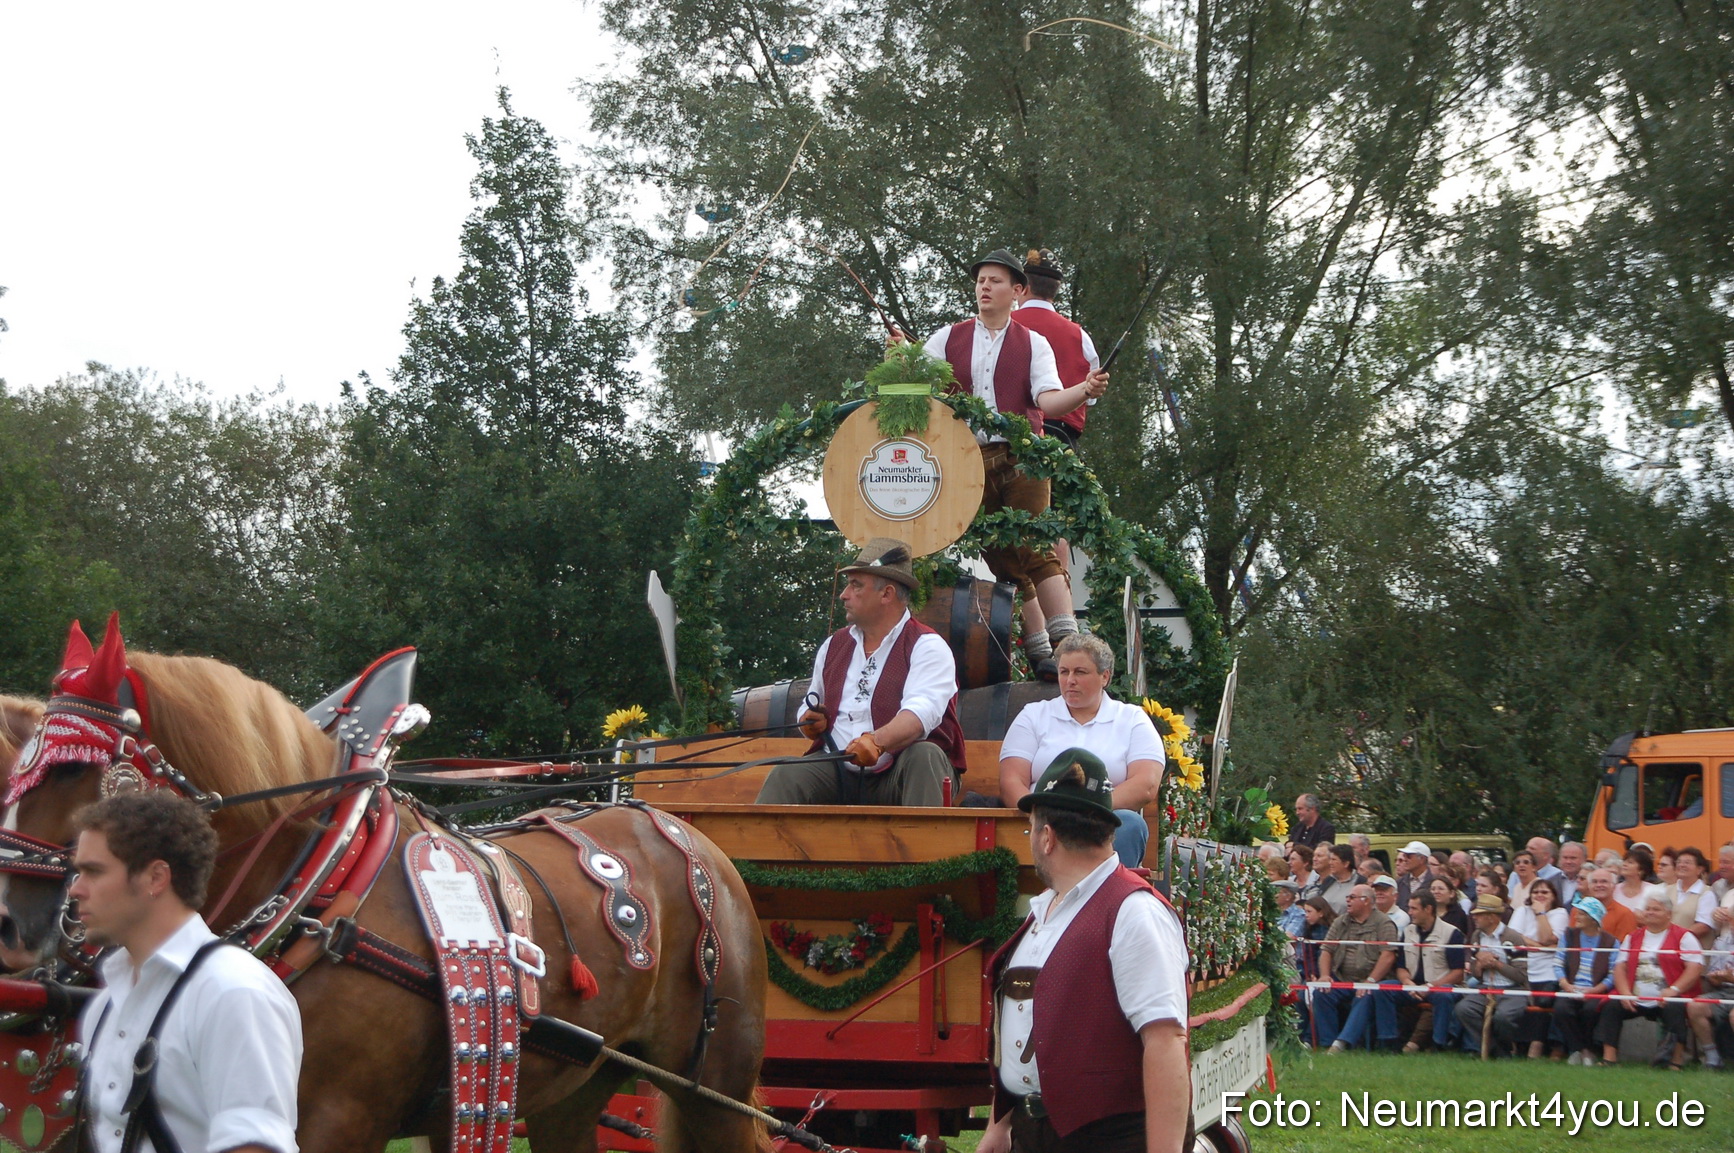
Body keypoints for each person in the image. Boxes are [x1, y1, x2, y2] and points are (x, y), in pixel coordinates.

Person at [981, 750, 1188, 1153]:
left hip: (1109, 1139)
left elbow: (1166, 1040)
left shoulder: (1133, 912)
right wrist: (999, 1125)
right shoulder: (1045, 909)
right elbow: (1027, 1027)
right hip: (1034, 1133)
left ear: (1047, 836)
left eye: (1030, 830)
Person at [73, 791, 301, 1153]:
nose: (76, 889)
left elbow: (254, 1145)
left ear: (155, 878)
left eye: (94, 872)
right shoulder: (104, 1007)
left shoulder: (233, 991)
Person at [920, 251, 1101, 679]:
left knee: (1036, 548)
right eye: (981, 279)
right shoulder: (946, 339)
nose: (984, 286)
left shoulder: (1033, 343)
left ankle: (1069, 649)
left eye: (995, 280)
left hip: (1024, 456)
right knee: (1002, 560)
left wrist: (1083, 389)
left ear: (1018, 291)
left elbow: (1048, 401)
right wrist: (900, 357)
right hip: (968, 462)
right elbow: (915, 385)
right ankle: (1040, 655)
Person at [764, 538, 965, 805]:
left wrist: (877, 741)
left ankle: (922, 845)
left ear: (887, 594)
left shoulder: (927, 646)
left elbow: (920, 714)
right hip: (838, 770)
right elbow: (810, 701)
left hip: (900, 773)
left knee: (924, 755)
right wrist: (810, 720)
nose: (844, 594)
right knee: (785, 775)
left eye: (855, 585)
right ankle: (750, 848)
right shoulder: (833, 645)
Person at [999, 634, 1163, 867]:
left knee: (1130, 824)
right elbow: (1011, 781)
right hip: (1042, 822)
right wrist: (1040, 815)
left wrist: (1089, 810)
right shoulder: (1033, 715)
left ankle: (1109, 898)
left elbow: (1146, 784)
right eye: (1064, 672)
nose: (1070, 680)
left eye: (1080, 672)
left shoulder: (1132, 719)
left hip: (1104, 822)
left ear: (1104, 676)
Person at [1010, 248, 1107, 596]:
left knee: (1008, 523)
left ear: (1020, 287)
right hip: (1061, 440)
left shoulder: (1006, 327)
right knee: (1057, 524)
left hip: (1012, 438)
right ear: (1056, 289)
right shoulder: (1078, 335)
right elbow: (1090, 394)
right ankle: (1061, 601)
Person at [1594, 894, 1703, 1068]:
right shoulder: (1633, 937)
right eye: (1648, 909)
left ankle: (1676, 1061)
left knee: (1676, 1007)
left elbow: (1695, 967)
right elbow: (1620, 967)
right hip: (1635, 995)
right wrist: (1624, 993)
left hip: (1668, 996)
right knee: (1611, 1005)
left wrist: (1673, 989)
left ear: (1669, 913)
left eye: (1656, 909)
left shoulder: (1684, 937)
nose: (1650, 913)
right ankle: (1609, 1059)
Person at [1315, 885, 1400, 1052]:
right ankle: (1326, 1041)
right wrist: (1324, 976)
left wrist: (1370, 980)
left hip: (1373, 980)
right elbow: (1326, 950)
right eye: (1348, 897)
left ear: (1366, 901)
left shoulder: (1384, 923)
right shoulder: (1341, 922)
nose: (1347, 900)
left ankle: (1342, 1043)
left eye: (1352, 897)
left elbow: (1388, 955)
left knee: (1365, 995)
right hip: (1343, 979)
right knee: (1321, 993)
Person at [1391, 891, 1467, 1053]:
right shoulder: (1408, 932)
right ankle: (1388, 1041)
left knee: (1443, 996)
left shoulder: (1452, 933)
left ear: (1428, 909)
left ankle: (1438, 1044)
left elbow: (1458, 974)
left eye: (1414, 908)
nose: (1410, 912)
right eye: (1409, 908)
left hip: (1440, 986)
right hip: (1412, 986)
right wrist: (1408, 983)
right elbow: (1401, 967)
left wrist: (1430, 987)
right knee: (1382, 990)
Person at [1453, 894, 1529, 1055]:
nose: (1474, 917)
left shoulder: (1513, 938)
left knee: (1503, 1017)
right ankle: (1495, 1049)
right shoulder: (1476, 936)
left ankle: (1503, 1049)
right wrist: (1480, 965)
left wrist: (1496, 964)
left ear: (1492, 917)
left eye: (1479, 914)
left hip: (1512, 990)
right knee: (1463, 1009)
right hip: (1485, 987)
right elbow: (1475, 973)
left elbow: (1521, 976)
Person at [1507, 879, 1568, 1058]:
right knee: (1520, 1002)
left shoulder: (1559, 913)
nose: (1539, 896)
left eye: (1545, 892)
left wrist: (1540, 913)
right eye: (1536, 893)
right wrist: (1540, 946)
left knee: (1544, 1002)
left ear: (1554, 896)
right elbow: (1512, 938)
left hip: (1548, 970)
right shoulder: (1521, 911)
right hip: (1522, 966)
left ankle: (1538, 1044)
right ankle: (1522, 1045)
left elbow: (1548, 937)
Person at [1553, 897, 1617, 1066]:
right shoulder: (1568, 936)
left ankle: (1583, 1050)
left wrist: (1595, 990)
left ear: (1593, 918)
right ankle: (1582, 1050)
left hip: (1595, 991)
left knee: (1591, 1010)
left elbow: (1613, 974)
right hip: (1570, 988)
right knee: (1561, 1008)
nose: (1576, 917)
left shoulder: (1611, 942)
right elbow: (1558, 964)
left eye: (1581, 914)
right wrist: (1566, 985)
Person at [1686, 888, 1734, 1069]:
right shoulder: (1721, 943)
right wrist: (1718, 978)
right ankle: (1712, 1056)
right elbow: (1712, 977)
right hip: (1724, 991)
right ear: (1730, 921)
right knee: (1695, 1006)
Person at [1669, 847, 1716, 943]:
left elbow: (1703, 926)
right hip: (1667, 950)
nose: (1681, 865)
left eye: (1687, 862)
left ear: (1699, 869)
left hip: (1693, 952)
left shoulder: (1706, 893)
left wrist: (1675, 939)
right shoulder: (1666, 890)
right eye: (1679, 862)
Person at [1585, 868, 1638, 942]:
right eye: (1594, 882)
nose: (1599, 885)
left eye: (1604, 882)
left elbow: (1624, 946)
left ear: (1613, 886)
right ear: (1589, 886)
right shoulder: (1578, 911)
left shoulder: (1624, 914)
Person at [1612, 846, 1661, 917]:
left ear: (1641, 870)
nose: (1624, 864)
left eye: (1630, 862)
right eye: (1624, 861)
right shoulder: (1614, 889)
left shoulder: (1653, 890)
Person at [1314, 845, 1356, 917]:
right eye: (1330, 859)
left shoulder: (1359, 882)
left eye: (1334, 860)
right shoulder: (1329, 881)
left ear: (1346, 863)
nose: (1330, 863)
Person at [1393, 841, 1435, 908]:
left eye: (1409, 856)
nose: (1405, 859)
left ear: (1422, 859)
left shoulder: (1434, 883)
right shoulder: (1399, 883)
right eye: (1404, 856)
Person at [1556, 841, 1587, 906]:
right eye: (1565, 858)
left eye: (1573, 858)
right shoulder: (1551, 881)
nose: (1568, 862)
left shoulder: (1591, 881)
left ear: (1584, 859)